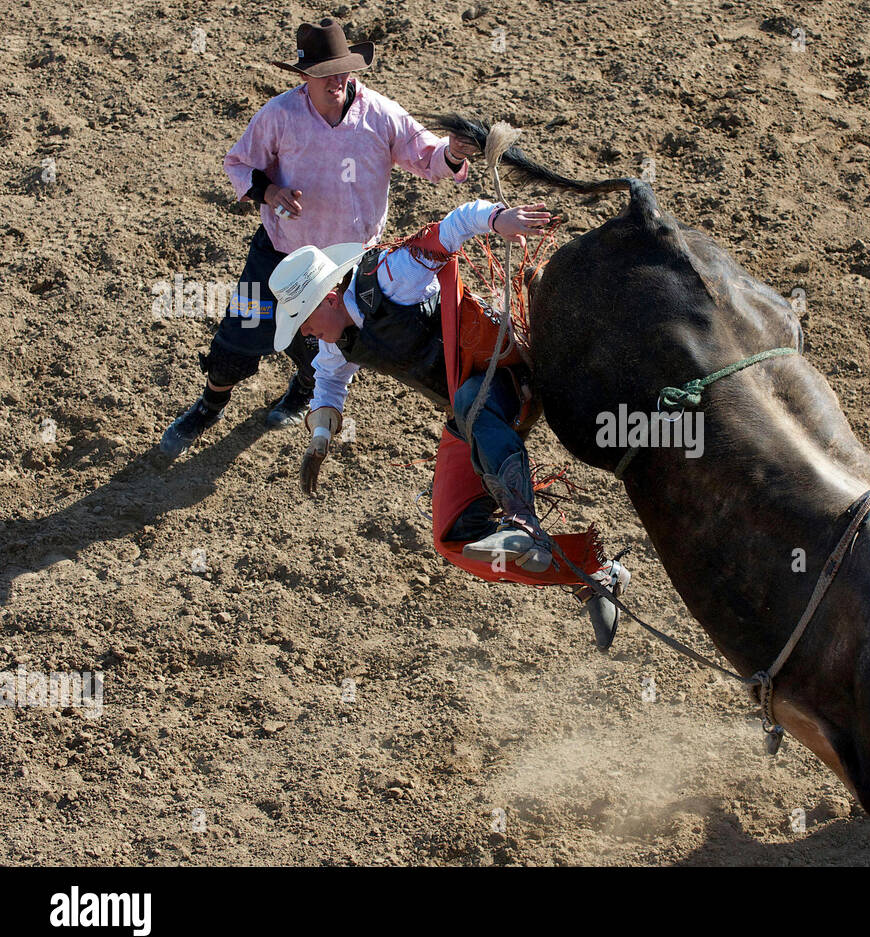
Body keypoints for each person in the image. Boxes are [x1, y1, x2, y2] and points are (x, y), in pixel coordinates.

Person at [266, 198, 631, 646]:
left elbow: (450, 227)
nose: (303, 332)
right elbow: (327, 385)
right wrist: (320, 436)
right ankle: (592, 573)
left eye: (303, 318)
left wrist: (497, 219)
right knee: (452, 536)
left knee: (471, 401)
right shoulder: (335, 344)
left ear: (327, 297)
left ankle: (524, 522)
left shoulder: (389, 278)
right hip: (469, 409)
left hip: (504, 372)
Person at [159, 17, 479, 457]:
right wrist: (268, 191)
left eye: (344, 71)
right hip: (280, 255)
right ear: (304, 77)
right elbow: (237, 164)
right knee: (241, 330)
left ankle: (301, 393)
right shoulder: (279, 116)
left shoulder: (380, 115)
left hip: (348, 264)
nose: (338, 81)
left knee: (322, 342)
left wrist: (453, 153)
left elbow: (428, 157)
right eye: (327, 73)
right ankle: (210, 404)